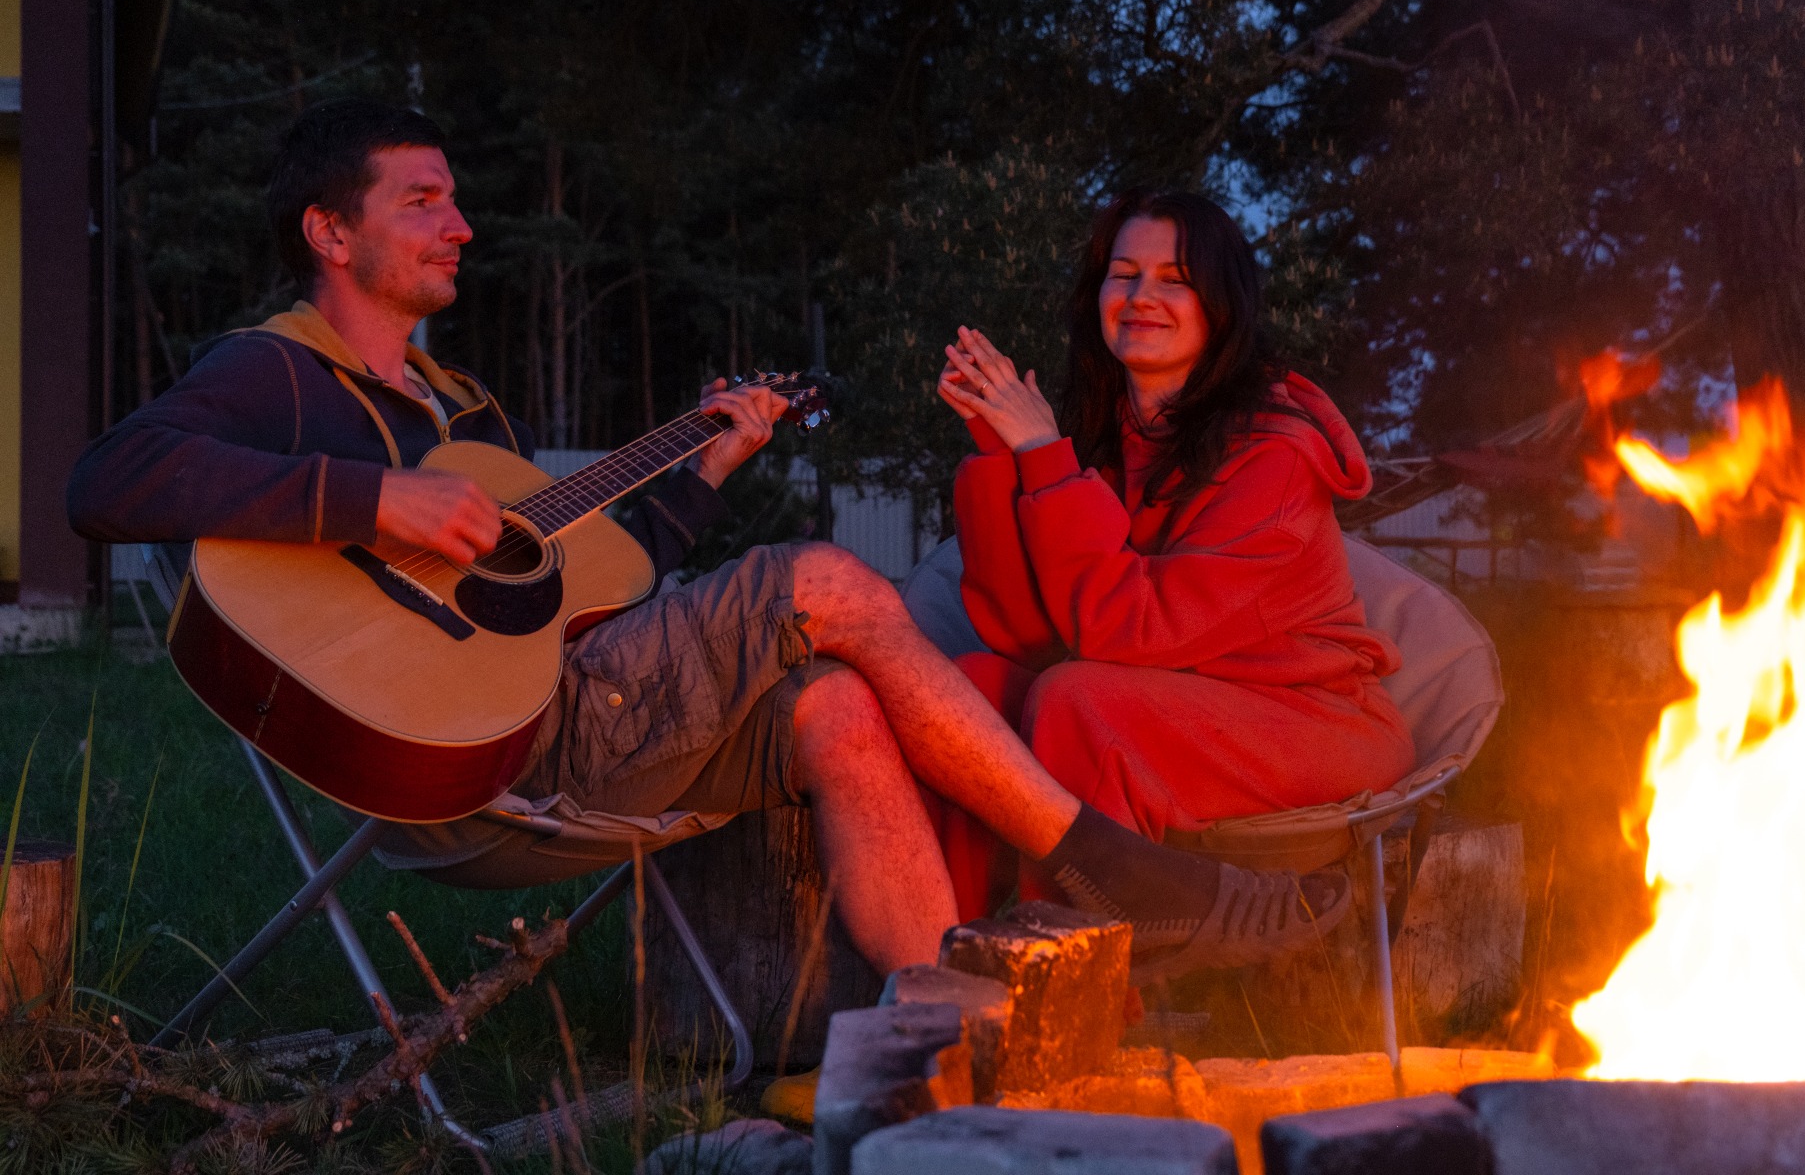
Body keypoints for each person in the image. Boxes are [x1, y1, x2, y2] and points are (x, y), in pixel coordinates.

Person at [67, 100, 1344, 986]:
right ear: (330, 233)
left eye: (457, 200)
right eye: (423, 202)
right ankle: (1114, 871)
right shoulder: (282, 374)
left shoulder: (466, 410)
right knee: (822, 578)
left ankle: (949, 1039)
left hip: (573, 714)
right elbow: (108, 479)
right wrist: (372, 502)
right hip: (459, 762)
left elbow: (570, 594)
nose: (461, 224)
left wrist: (704, 477)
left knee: (839, 705)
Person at [932, 189, 1414, 970]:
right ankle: (942, 968)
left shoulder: (1276, 457)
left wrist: (1044, 458)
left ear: (1221, 306)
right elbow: (1025, 634)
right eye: (1123, 274)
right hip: (1178, 700)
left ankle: (1073, 987)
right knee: (973, 690)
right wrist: (1002, 451)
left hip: (1313, 720)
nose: (1141, 296)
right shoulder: (1113, 435)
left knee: (1077, 702)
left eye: (1175, 279)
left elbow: (1129, 632)